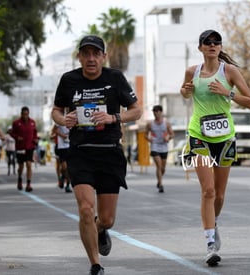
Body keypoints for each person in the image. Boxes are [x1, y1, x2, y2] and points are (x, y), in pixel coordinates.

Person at [51, 34, 142, 275]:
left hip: (110, 153)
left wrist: (114, 117)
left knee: (107, 218)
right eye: (86, 54)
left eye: (95, 53)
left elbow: (136, 110)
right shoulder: (69, 80)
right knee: (85, 209)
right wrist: (63, 120)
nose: (90, 58)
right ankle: (95, 264)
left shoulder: (115, 78)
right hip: (80, 153)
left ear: (103, 56)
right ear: (79, 57)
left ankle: (100, 229)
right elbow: (57, 110)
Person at [180, 29, 250, 266]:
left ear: (220, 47)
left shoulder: (230, 71)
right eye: (207, 42)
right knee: (208, 191)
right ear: (200, 47)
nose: (212, 45)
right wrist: (185, 91)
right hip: (198, 135)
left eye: (216, 42)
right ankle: (210, 243)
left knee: (220, 195)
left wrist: (228, 92)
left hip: (224, 137)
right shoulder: (193, 71)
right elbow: (184, 91)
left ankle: (214, 221)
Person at [145, 105, 174, 193]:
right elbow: (145, 135)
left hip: (164, 147)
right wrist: (149, 139)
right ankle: (161, 185)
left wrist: (168, 138)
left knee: (163, 168)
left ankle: (159, 181)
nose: (155, 113)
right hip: (155, 147)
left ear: (161, 112)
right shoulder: (150, 124)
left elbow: (172, 134)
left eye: (157, 111)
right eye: (154, 111)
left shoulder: (167, 123)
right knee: (159, 165)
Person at [11, 106, 39, 192]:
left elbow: (35, 133)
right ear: (21, 114)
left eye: (27, 114)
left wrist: (36, 139)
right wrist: (16, 137)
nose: (25, 116)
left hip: (30, 147)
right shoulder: (16, 123)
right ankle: (19, 179)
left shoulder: (32, 122)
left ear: (28, 114)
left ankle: (28, 184)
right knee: (21, 167)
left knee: (29, 165)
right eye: (24, 114)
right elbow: (12, 133)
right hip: (20, 147)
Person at [56, 124, 72, 193]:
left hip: (71, 146)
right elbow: (55, 130)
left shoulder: (74, 116)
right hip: (62, 147)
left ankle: (67, 185)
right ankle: (62, 177)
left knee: (69, 168)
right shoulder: (59, 117)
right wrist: (63, 135)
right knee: (64, 167)